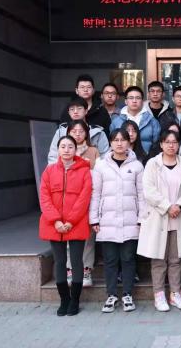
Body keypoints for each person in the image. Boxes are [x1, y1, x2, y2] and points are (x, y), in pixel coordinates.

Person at [89, 129, 144, 313]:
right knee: (110, 260)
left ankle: (127, 294)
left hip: (130, 220)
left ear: (128, 142)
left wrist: (141, 218)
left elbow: (142, 195)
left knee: (128, 259)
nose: (119, 143)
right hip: (107, 221)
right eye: (115, 140)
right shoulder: (101, 166)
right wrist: (94, 219)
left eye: (123, 140)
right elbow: (95, 194)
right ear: (110, 143)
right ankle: (111, 295)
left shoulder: (137, 166)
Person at [138, 130, 181, 312]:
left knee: (176, 259)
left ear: (179, 144)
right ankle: (159, 294)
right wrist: (168, 206)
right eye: (167, 142)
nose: (171, 145)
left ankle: (175, 293)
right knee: (158, 259)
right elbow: (149, 190)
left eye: (174, 142)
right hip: (158, 216)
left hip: (179, 216)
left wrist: (180, 205)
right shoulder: (152, 164)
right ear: (161, 144)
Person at [39, 136, 92, 316]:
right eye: (63, 146)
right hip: (54, 224)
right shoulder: (49, 171)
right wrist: (56, 220)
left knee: (76, 261)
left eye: (70, 146)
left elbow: (84, 198)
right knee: (60, 261)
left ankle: (75, 300)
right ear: (58, 149)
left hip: (75, 223)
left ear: (76, 150)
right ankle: (64, 300)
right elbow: (44, 197)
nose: (67, 150)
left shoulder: (84, 171)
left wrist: (70, 221)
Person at [64, 120, 99, 286]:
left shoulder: (93, 151)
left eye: (81, 131)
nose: (77, 134)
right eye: (74, 131)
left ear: (86, 134)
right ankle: (70, 269)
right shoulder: (65, 150)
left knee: (88, 236)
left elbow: (98, 174)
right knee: (68, 235)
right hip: (69, 199)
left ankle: (86, 270)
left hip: (88, 198)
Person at [48, 98, 109, 164]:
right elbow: (53, 155)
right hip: (65, 168)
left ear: (86, 111)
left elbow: (105, 156)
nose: (75, 112)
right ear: (68, 112)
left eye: (79, 108)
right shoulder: (60, 132)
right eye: (72, 109)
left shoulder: (98, 132)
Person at [110, 86, 161, 154]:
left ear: (142, 101)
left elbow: (156, 145)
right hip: (122, 158)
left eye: (138, 98)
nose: (134, 101)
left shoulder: (152, 121)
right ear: (126, 101)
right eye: (131, 98)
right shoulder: (116, 121)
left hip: (146, 158)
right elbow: (112, 143)